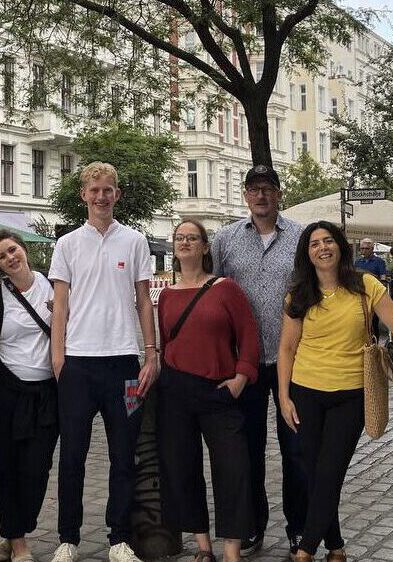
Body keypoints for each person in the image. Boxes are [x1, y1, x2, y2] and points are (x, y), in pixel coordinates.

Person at [48, 161, 157, 562]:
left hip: (125, 363)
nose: (101, 196)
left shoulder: (134, 241)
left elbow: (144, 299)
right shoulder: (68, 244)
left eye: (107, 190)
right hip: (78, 364)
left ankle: (119, 538)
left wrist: (151, 352)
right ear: (83, 195)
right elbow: (60, 305)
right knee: (72, 455)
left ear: (117, 194)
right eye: (94, 190)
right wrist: (58, 358)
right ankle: (68, 538)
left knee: (123, 455)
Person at [277, 221, 393, 562]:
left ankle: (305, 549)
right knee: (314, 473)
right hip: (305, 393)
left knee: (330, 471)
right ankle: (336, 547)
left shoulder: (366, 286)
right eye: (314, 243)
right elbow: (287, 348)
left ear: (340, 247)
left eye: (328, 240)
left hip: (351, 395)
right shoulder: (299, 295)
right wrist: (284, 397)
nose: (322, 247)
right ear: (307, 254)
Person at [210, 164, 307, 558]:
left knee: (296, 448)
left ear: (279, 193)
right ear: (245, 195)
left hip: (294, 361)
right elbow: (210, 292)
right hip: (243, 363)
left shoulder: (300, 237)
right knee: (246, 449)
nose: (261, 195)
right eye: (255, 189)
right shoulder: (225, 240)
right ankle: (252, 525)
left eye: (268, 188)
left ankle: (299, 527)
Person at [156, 220, 259, 562]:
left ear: (204, 247)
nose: (184, 242)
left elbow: (248, 337)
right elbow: (166, 340)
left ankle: (232, 548)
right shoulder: (168, 294)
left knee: (233, 468)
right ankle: (203, 545)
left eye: (192, 238)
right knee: (182, 467)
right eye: (179, 238)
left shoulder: (225, 288)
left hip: (218, 390)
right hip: (176, 390)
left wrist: (242, 378)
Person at [0, 229, 58, 562]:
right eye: (2, 256)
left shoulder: (54, 287)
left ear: (23, 249)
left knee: (37, 469)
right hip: (6, 393)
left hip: (46, 394)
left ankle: (15, 530)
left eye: (13, 250)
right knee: (7, 469)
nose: (10, 257)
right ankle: (18, 541)